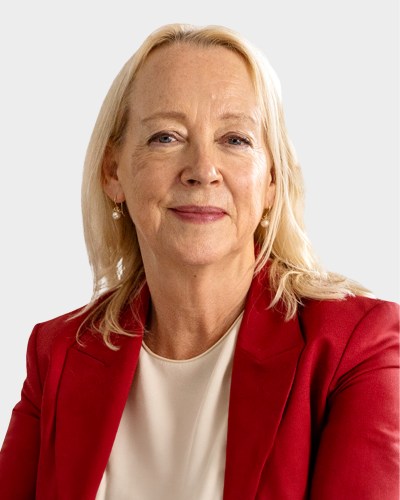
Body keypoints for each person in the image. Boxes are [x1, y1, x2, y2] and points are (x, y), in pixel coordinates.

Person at [0, 22, 399, 500]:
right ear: (113, 172)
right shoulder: (57, 354)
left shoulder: (354, 348)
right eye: (166, 137)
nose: (203, 171)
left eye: (235, 139)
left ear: (271, 180)